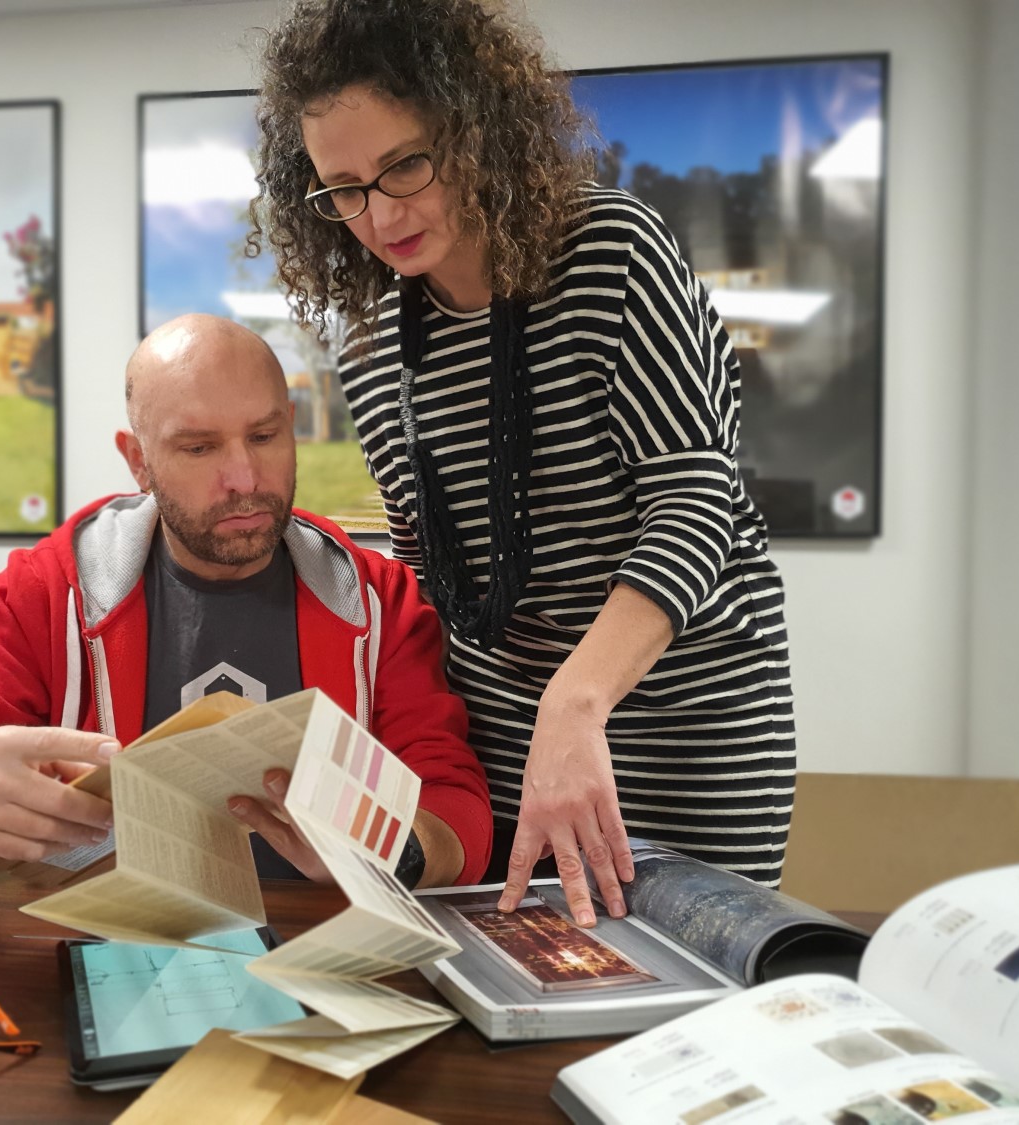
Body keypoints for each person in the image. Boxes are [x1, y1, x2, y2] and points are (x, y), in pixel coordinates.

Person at [249, 0, 796, 925]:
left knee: (693, 995)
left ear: (476, 131)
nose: (380, 215)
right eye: (342, 188)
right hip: (505, 739)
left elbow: (696, 499)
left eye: (405, 165)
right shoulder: (376, 346)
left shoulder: (613, 253)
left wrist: (574, 707)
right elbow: (431, 569)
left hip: (681, 725)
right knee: (529, 988)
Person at [0, 314, 491, 889]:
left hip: (319, 960)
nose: (244, 478)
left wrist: (391, 853)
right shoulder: (43, 594)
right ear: (138, 461)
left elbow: (454, 801)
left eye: (264, 436)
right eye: (198, 447)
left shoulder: (378, 602)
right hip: (96, 963)